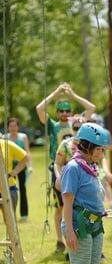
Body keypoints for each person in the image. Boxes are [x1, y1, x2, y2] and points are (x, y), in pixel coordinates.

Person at [60, 122, 112, 264]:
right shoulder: (73, 168)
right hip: (78, 226)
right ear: (88, 146)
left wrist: (100, 210)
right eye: (99, 149)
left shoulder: (91, 166)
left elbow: (94, 194)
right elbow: (68, 202)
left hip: (95, 224)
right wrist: (70, 231)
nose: (102, 153)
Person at [36, 82, 95, 253]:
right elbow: (39, 109)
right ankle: (59, 241)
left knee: (81, 204)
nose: (64, 114)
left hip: (80, 168)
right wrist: (55, 93)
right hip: (60, 168)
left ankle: (81, 235)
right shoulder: (53, 125)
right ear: (57, 113)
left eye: (67, 110)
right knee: (60, 206)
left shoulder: (77, 122)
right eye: (60, 111)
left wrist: (73, 95)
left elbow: (92, 108)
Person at [6, 117, 33, 220]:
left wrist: (30, 166)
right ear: (8, 127)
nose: (13, 128)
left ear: (18, 127)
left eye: (15, 126)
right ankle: (10, 214)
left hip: (21, 166)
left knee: (22, 189)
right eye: (10, 126)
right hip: (9, 167)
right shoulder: (5, 137)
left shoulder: (23, 137)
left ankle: (24, 214)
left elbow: (27, 152)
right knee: (9, 190)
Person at [0, 135, 28, 220]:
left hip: (9, 187)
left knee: (9, 219)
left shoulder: (7, 144)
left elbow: (25, 156)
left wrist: (15, 171)